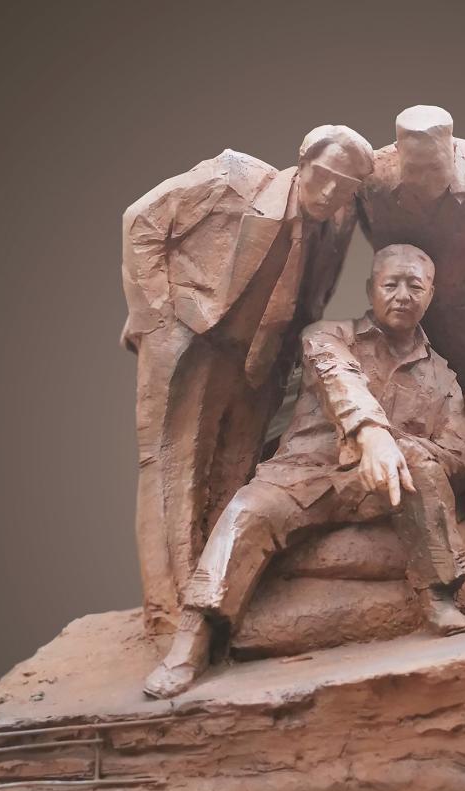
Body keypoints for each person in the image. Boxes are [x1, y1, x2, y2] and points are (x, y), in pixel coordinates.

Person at [145, 244, 465, 698]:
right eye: (390, 284)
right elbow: (339, 378)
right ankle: (193, 638)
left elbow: (458, 453)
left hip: (382, 487)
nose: (402, 295)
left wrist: (402, 447)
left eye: (415, 286)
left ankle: (437, 594)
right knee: (247, 511)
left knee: (421, 465)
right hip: (305, 475)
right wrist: (372, 433)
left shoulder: (443, 377)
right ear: (370, 289)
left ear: (431, 294)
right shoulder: (328, 337)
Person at [120, 126, 373, 641]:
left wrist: (287, 354)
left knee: (237, 463)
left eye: (344, 186)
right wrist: (158, 314)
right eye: (324, 176)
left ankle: (217, 591)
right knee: (174, 462)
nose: (329, 192)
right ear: (303, 161)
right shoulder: (232, 178)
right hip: (192, 337)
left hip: (261, 354)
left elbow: (314, 291)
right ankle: (167, 608)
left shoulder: (338, 220)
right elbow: (141, 220)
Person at [356, 105, 465, 387]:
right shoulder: (375, 181)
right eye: (414, 170)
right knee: (422, 393)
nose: (425, 180)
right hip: (417, 309)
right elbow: (372, 233)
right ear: (399, 155)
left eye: (435, 168)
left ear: (451, 150)